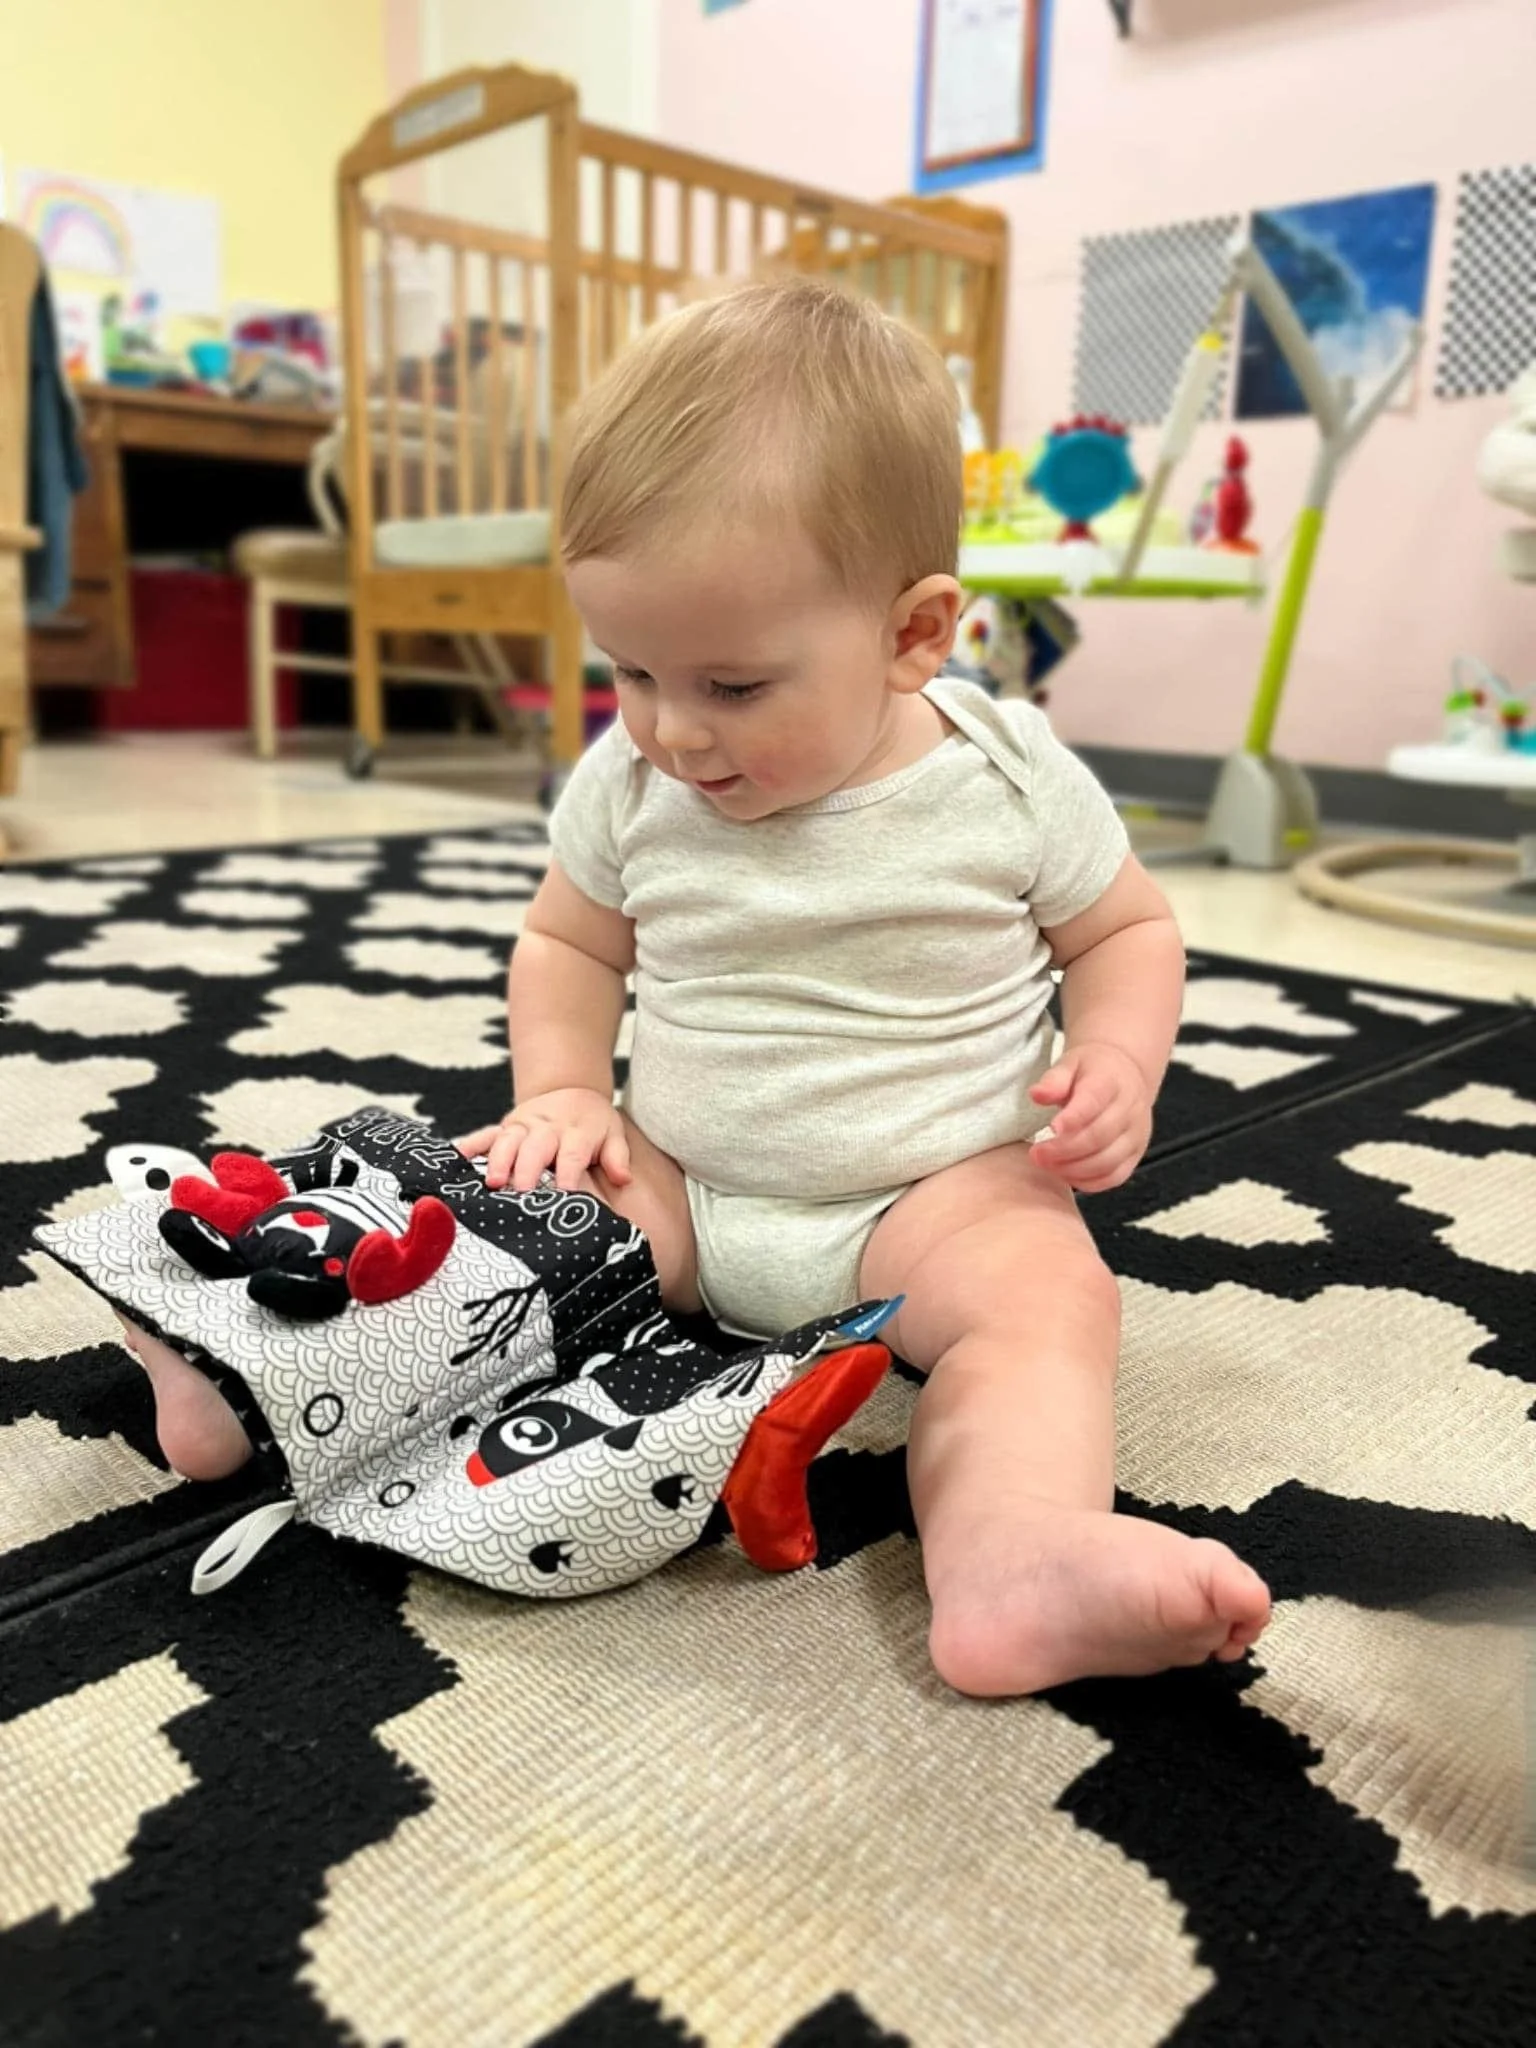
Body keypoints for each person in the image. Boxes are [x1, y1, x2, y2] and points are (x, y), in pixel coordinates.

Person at [128, 278, 1270, 1696]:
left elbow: (1125, 934)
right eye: (629, 674)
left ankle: (1017, 1558)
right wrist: (559, 1088)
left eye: (732, 686)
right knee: (495, 1231)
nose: (669, 731)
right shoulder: (634, 782)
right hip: (677, 1172)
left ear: (916, 635)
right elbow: (568, 946)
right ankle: (238, 1368)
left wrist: (1121, 1061)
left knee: (1046, 1302)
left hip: (928, 1197)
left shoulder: (1010, 779)